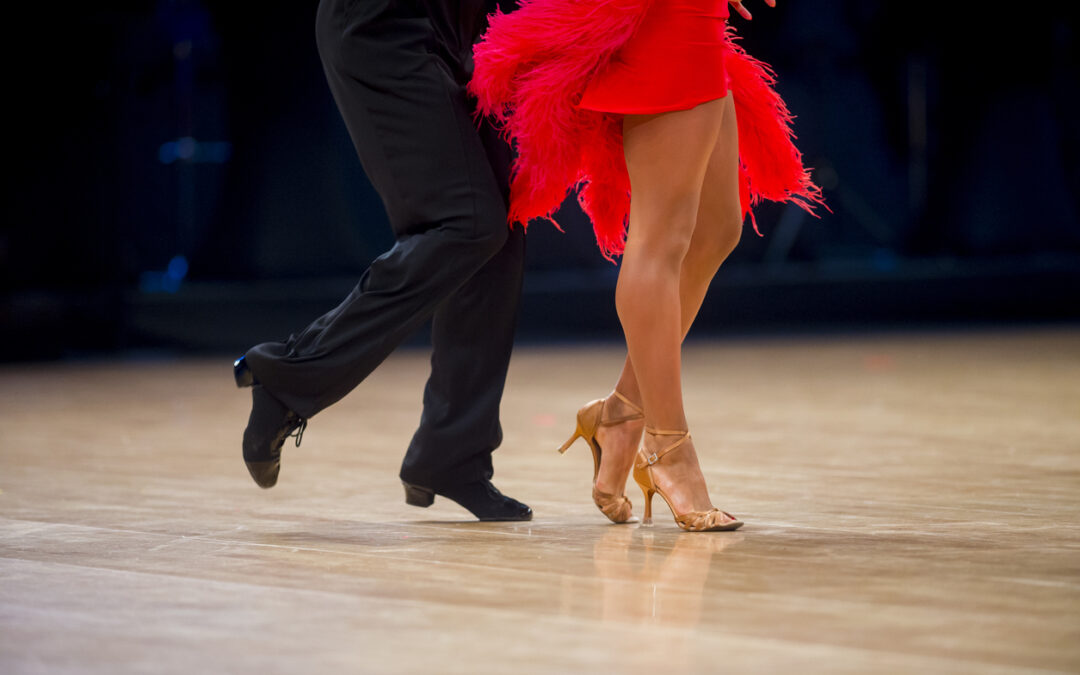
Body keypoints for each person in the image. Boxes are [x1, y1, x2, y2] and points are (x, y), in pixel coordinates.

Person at [471, 0, 823, 530]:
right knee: (661, 238)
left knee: (716, 229)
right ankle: (668, 448)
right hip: (660, 20)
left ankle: (621, 413)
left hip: (697, 17)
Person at [232, 0, 532, 522]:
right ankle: (289, 375)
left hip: (453, 29)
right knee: (466, 223)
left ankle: (452, 453)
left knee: (499, 234)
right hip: (383, 26)